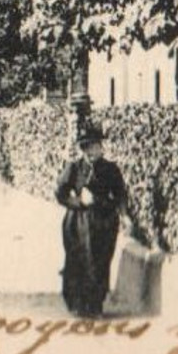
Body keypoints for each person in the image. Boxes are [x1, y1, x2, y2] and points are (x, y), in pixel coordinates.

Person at [54, 127, 129, 318]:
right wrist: (78, 201)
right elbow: (60, 193)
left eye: (96, 146)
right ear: (83, 149)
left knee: (101, 261)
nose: (93, 151)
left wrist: (123, 214)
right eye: (88, 147)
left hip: (104, 221)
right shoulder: (74, 167)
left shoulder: (111, 169)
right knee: (79, 259)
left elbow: (120, 194)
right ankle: (78, 303)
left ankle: (96, 304)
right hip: (78, 222)